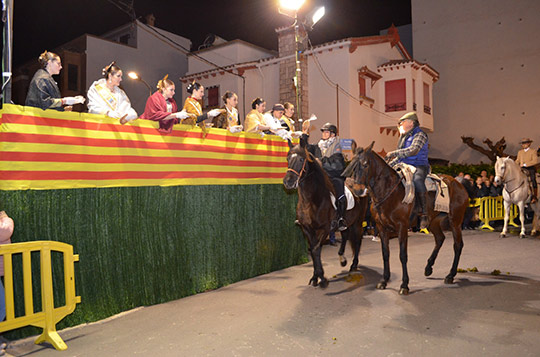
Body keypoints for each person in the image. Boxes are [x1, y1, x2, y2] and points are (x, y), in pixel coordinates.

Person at [386, 112, 430, 230]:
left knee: (417, 180)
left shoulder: (420, 134)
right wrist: (387, 166)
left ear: (411, 122)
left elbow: (413, 150)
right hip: (404, 165)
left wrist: (394, 152)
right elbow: (400, 157)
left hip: (419, 165)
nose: (400, 125)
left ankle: (424, 213)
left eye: (402, 122)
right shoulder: (404, 137)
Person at [317, 122, 347, 231]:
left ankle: (341, 218)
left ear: (333, 134)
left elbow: (336, 165)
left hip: (335, 175)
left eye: (326, 132)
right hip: (321, 176)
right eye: (323, 132)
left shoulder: (337, 146)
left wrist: (321, 161)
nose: (324, 134)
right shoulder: (319, 145)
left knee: (340, 195)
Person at [516, 138, 538, 203]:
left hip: (530, 168)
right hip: (522, 168)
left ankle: (535, 196)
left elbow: (535, 161)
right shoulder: (520, 152)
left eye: (524, 143)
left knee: (533, 179)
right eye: (522, 143)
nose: (523, 145)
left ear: (529, 144)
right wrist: (514, 165)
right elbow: (518, 160)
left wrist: (525, 164)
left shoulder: (533, 151)